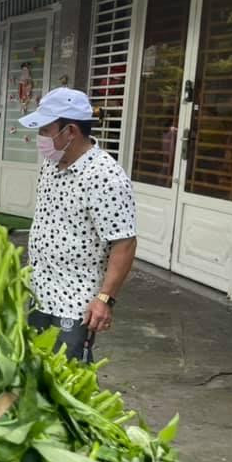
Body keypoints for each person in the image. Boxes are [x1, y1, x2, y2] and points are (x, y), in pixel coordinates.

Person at [19, 87, 137, 363]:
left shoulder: (106, 177)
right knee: (36, 369)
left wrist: (105, 299)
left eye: (45, 130)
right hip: (40, 291)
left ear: (70, 131)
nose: (40, 138)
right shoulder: (52, 164)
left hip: (74, 303)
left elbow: (124, 243)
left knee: (67, 373)